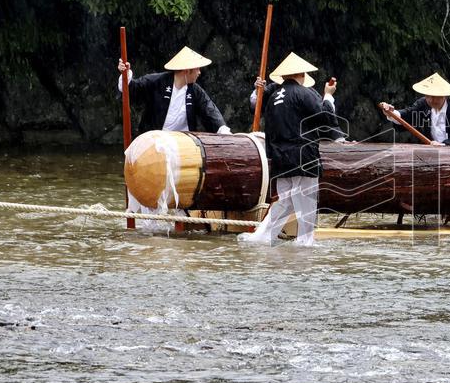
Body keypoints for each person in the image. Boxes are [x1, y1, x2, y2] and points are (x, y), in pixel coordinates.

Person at [239, 52, 339, 247]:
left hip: (279, 157)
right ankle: (305, 241)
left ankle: (262, 237)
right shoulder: (304, 93)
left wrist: (257, 91)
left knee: (286, 201)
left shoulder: (272, 94)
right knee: (306, 201)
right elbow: (326, 117)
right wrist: (328, 95)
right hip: (303, 157)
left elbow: (254, 106)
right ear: (301, 75)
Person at [116, 46, 231, 135]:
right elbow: (131, 89)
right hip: (155, 141)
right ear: (187, 70)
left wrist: (223, 130)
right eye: (197, 69)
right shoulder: (157, 81)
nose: (199, 73)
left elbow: (209, 110)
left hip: (183, 143)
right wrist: (126, 74)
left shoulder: (195, 90)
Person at [378, 73, 450, 146]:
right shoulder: (422, 103)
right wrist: (391, 113)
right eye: (428, 96)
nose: (431, 100)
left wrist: (443, 145)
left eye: (434, 96)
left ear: (444, 96)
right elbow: (409, 114)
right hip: (432, 149)